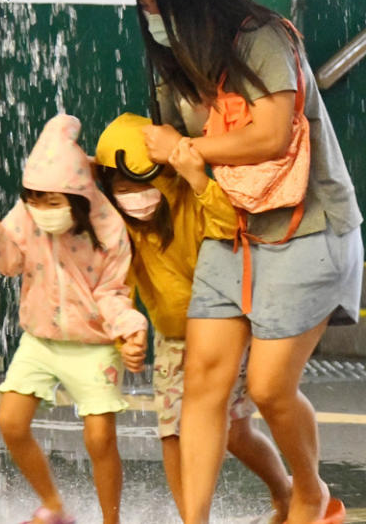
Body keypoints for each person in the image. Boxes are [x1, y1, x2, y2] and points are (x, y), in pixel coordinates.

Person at [131, 0, 363, 524]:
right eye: (144, 8)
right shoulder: (177, 63)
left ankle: (309, 491)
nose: (153, 18)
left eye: (159, 4)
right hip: (229, 228)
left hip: (307, 230)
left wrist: (189, 148)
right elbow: (167, 146)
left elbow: (272, 135)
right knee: (201, 384)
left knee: (267, 388)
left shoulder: (262, 37)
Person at [94, 112, 292, 523]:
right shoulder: (123, 230)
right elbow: (116, 286)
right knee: (172, 432)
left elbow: (226, 225)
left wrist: (198, 179)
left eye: (143, 185)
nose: (134, 196)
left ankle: (285, 492)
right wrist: (125, 333)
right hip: (172, 340)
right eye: (122, 188)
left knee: (235, 432)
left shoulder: (192, 202)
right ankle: (192, 518)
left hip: (224, 332)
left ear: (164, 178)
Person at [0, 114, 148, 524]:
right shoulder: (26, 214)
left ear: (76, 195)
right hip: (40, 340)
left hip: (94, 346)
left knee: (100, 438)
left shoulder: (109, 227)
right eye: (35, 197)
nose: (42, 208)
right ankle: (54, 506)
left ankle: (111, 521)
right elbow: (13, 260)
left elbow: (113, 290)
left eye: (53, 200)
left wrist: (128, 330)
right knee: (11, 422)